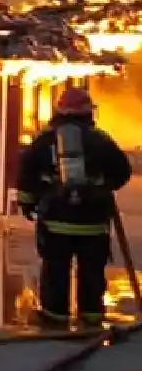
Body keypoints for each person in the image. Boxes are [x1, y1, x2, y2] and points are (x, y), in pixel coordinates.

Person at [16, 86, 132, 328]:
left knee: (56, 272)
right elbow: (123, 171)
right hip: (93, 223)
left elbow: (26, 173)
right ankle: (91, 318)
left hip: (55, 222)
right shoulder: (100, 139)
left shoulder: (44, 140)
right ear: (89, 112)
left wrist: (28, 203)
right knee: (91, 272)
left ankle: (54, 317)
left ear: (60, 110)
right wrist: (101, 187)